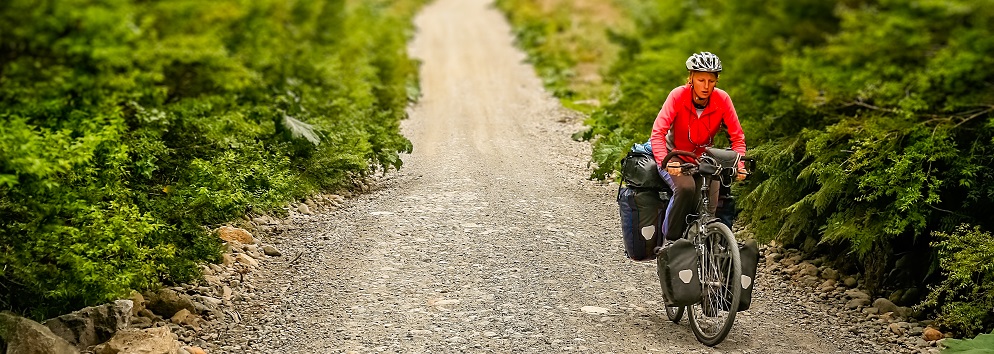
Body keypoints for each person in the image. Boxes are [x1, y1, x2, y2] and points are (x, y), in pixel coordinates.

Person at [650, 51, 747, 242]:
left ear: (716, 81)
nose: (706, 86)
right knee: (686, 188)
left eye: (711, 81)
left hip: (704, 158)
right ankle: (671, 240)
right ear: (691, 78)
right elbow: (657, 133)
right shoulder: (678, 96)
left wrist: (740, 165)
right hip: (674, 155)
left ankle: (707, 251)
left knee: (709, 209)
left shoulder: (723, 100)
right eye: (701, 79)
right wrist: (666, 161)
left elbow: (737, 138)